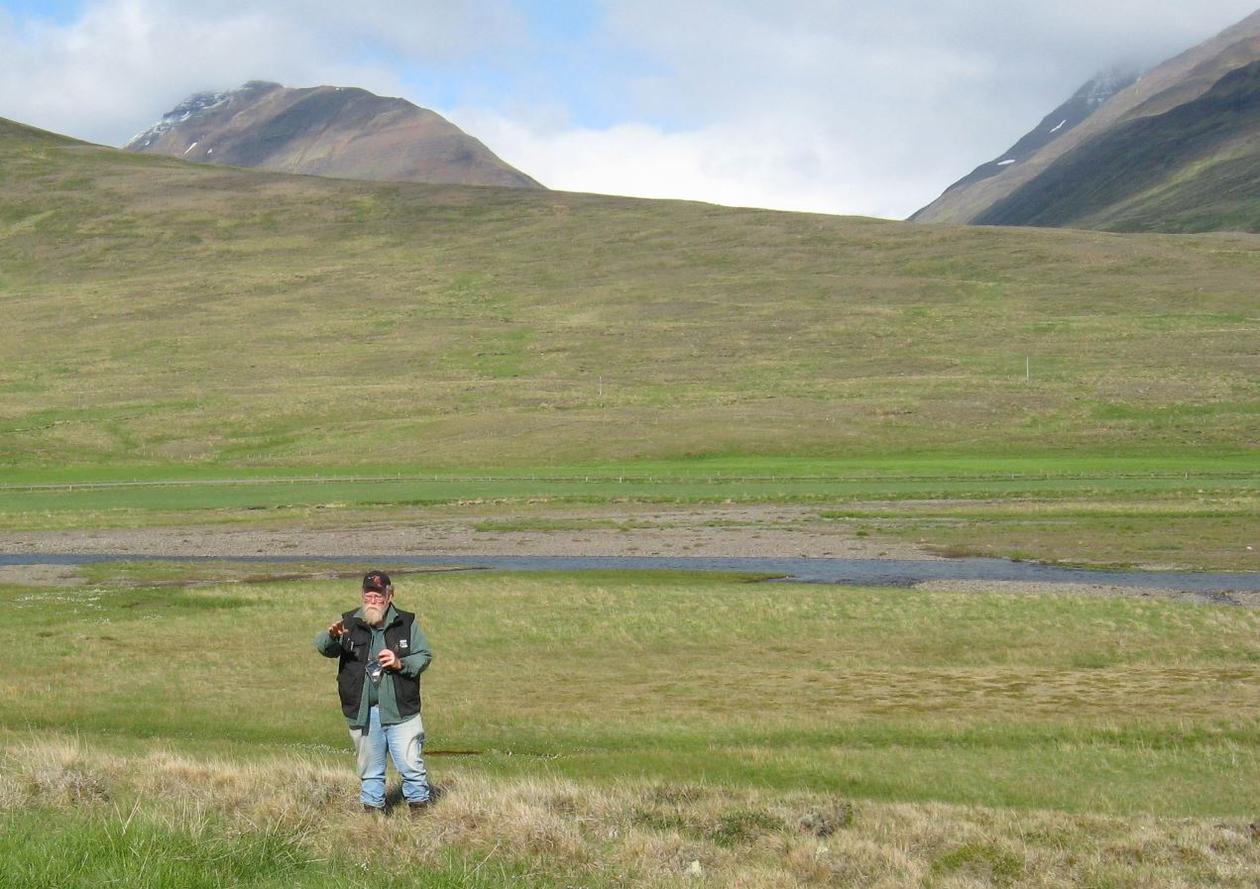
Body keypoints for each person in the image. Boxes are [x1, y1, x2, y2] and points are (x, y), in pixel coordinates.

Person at [314, 570, 434, 813]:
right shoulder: (348, 623)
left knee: (411, 765)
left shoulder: (406, 623)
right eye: (368, 596)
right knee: (369, 768)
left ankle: (420, 812)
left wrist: (401, 663)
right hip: (363, 711)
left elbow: (424, 656)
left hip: (401, 709)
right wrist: (330, 636)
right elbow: (323, 648)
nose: (373, 601)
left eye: (378, 596)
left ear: (389, 596)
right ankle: (372, 816)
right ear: (362, 596)